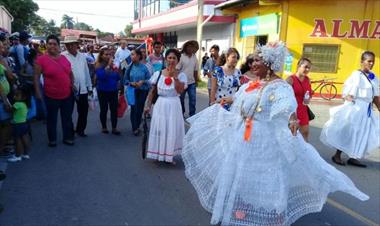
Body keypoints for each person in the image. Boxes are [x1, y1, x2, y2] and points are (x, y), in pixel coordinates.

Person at [182, 42, 368, 226]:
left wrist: (293, 119)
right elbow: (240, 96)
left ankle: (271, 212)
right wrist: (226, 99)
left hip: (265, 140)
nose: (253, 64)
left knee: (265, 175)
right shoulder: (254, 83)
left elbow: (286, 106)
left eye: (258, 61)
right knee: (242, 172)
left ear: (269, 64)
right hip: (244, 134)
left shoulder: (280, 86)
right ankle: (242, 205)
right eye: (253, 61)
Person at [321, 51, 379, 167]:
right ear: (362, 62)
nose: (371, 63)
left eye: (373, 61)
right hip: (356, 107)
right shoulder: (356, 75)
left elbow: (376, 96)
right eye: (369, 61)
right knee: (348, 131)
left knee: (362, 133)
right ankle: (337, 155)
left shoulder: (374, 77)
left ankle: (354, 157)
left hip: (366, 110)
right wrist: (348, 98)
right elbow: (347, 92)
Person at [144, 48, 187, 164]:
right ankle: (158, 154)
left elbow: (180, 91)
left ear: (178, 60)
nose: (171, 60)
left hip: (174, 105)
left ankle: (169, 156)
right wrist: (147, 106)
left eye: (174, 58)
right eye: (169, 57)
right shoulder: (158, 74)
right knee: (160, 129)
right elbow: (152, 91)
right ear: (166, 59)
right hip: (160, 105)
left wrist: (175, 77)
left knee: (171, 130)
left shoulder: (182, 75)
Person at [34, 34, 75, 147]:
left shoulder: (64, 58)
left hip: (67, 94)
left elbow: (70, 72)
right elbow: (36, 77)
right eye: (50, 44)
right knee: (52, 119)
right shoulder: (41, 60)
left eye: (55, 44)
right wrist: (37, 92)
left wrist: (72, 84)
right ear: (46, 45)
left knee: (67, 118)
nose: (52, 46)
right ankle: (52, 139)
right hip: (50, 96)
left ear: (58, 46)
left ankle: (67, 137)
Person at [62, 36, 93, 137]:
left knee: (83, 111)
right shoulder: (62, 56)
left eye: (72, 44)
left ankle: (80, 129)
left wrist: (89, 87)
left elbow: (86, 72)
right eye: (68, 44)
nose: (70, 46)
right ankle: (69, 132)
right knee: (68, 112)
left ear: (77, 45)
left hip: (82, 88)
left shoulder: (82, 56)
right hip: (68, 88)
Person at [95, 47, 121, 135]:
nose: (108, 56)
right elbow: (101, 77)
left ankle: (114, 127)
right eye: (106, 54)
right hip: (102, 90)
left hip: (113, 90)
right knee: (104, 109)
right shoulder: (99, 65)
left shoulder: (114, 65)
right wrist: (108, 67)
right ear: (101, 56)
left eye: (109, 54)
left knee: (114, 110)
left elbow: (117, 77)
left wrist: (117, 71)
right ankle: (104, 127)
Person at [124, 49, 151, 136]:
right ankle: (134, 128)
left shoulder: (144, 67)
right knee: (134, 109)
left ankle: (138, 125)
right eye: (131, 55)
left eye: (133, 54)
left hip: (142, 91)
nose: (131, 56)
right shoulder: (129, 67)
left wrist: (142, 82)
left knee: (139, 109)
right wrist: (131, 83)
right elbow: (125, 80)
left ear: (139, 56)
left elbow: (149, 80)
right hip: (132, 91)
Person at [286, 57, 313, 142]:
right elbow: (284, 97)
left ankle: (304, 154)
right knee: (292, 136)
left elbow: (309, 93)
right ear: (298, 66)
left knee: (305, 134)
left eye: (309, 68)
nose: (307, 69)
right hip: (293, 112)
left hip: (303, 110)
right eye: (305, 67)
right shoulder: (290, 80)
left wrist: (308, 99)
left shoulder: (308, 80)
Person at [7, 87, 31, 162]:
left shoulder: (17, 104)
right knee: (25, 138)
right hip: (24, 123)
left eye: (17, 95)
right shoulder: (25, 104)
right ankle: (26, 154)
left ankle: (18, 155)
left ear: (23, 97)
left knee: (17, 140)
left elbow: (10, 110)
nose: (14, 97)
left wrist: (6, 105)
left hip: (17, 125)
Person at [176, 40, 199, 117]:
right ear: (185, 48)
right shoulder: (181, 57)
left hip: (192, 82)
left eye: (192, 47)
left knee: (193, 100)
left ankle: (192, 115)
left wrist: (196, 81)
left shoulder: (194, 57)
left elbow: (195, 70)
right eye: (188, 46)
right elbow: (177, 70)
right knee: (181, 99)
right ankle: (181, 113)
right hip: (182, 83)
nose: (190, 48)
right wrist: (177, 81)